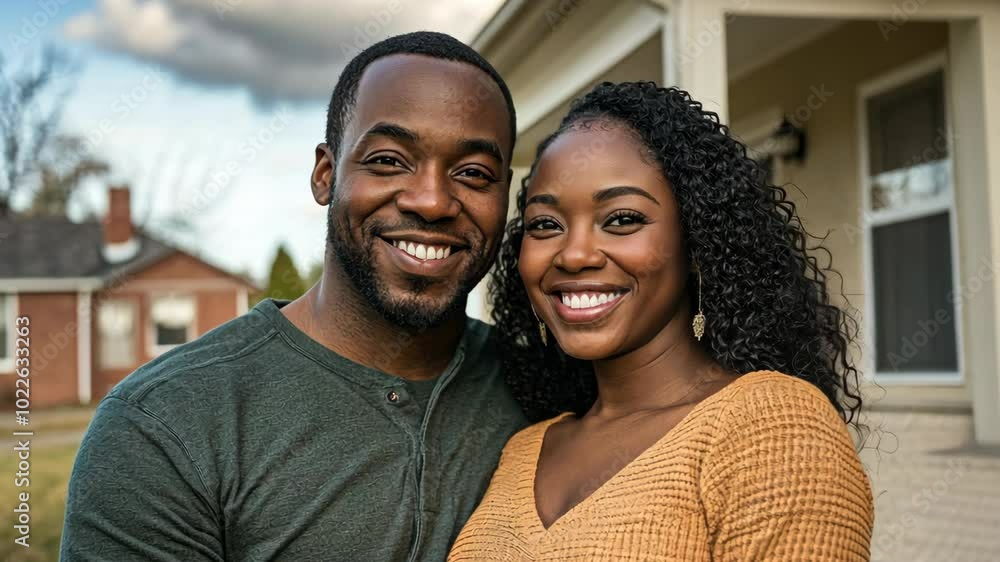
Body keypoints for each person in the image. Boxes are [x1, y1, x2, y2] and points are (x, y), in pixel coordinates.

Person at [60, 31, 527, 561]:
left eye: (473, 173)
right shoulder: (164, 427)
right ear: (326, 175)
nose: (433, 201)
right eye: (389, 160)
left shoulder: (547, 388)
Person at [448, 81, 874, 561]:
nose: (575, 254)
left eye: (622, 219)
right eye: (546, 224)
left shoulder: (772, 427)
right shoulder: (523, 449)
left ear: (695, 244)